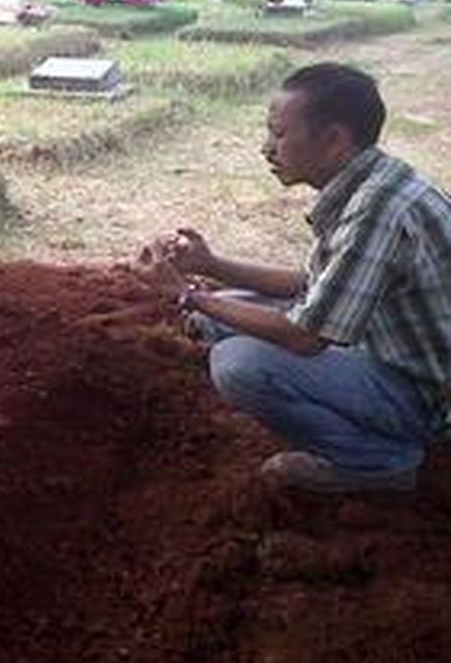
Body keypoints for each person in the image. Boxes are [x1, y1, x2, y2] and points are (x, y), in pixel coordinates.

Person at [134, 62, 451, 493]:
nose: (266, 148)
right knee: (224, 310)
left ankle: (375, 462)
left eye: (279, 135)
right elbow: (313, 284)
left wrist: (185, 294)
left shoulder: (378, 212)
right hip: (384, 346)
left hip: (421, 394)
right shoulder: (375, 183)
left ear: (334, 140)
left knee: (238, 363)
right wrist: (210, 265)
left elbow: (305, 337)